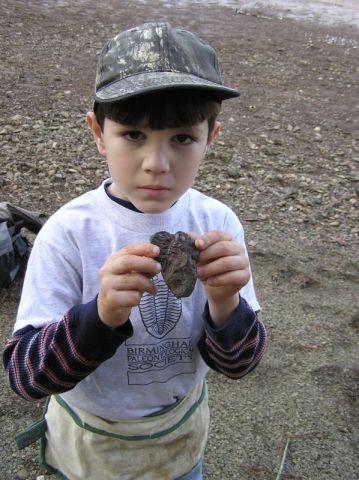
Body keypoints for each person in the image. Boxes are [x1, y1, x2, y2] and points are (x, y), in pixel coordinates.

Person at [3, 22, 267, 480]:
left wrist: (226, 304)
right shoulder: (69, 233)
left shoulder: (218, 225)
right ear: (98, 132)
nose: (156, 164)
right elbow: (27, 377)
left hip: (178, 438)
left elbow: (240, 366)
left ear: (211, 138)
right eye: (133, 135)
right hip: (88, 444)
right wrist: (100, 316)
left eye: (182, 138)